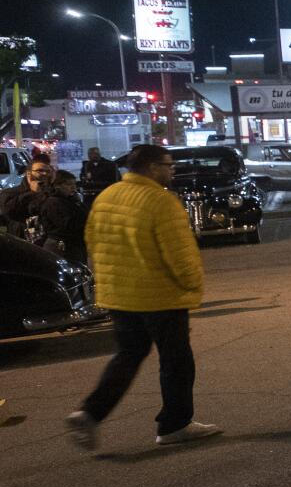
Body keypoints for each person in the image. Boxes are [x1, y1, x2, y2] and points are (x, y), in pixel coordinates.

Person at [66, 144, 220, 450]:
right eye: (168, 164)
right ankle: (174, 424)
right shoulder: (160, 201)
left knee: (128, 355)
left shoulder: (107, 196)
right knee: (176, 361)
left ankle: (90, 412)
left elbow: (93, 243)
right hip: (159, 295)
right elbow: (180, 254)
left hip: (120, 296)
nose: (172, 169)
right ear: (151, 168)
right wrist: (192, 287)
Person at [2, 158, 85, 259]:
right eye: (40, 170)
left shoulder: (52, 193)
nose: (45, 174)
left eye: (48, 171)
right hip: (23, 244)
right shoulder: (11, 193)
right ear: (28, 173)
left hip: (47, 244)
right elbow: (9, 213)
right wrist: (32, 193)